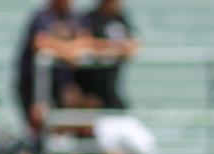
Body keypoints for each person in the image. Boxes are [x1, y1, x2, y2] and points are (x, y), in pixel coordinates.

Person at [15, 0, 91, 132]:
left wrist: (61, 48)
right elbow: (40, 42)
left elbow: (86, 41)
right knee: (39, 126)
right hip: (34, 85)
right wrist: (68, 52)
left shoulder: (77, 17)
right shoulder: (42, 17)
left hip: (63, 84)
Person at [75, 0, 140, 109]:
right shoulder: (89, 18)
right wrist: (114, 47)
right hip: (89, 85)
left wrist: (117, 49)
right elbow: (85, 42)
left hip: (110, 85)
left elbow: (133, 44)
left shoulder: (120, 18)